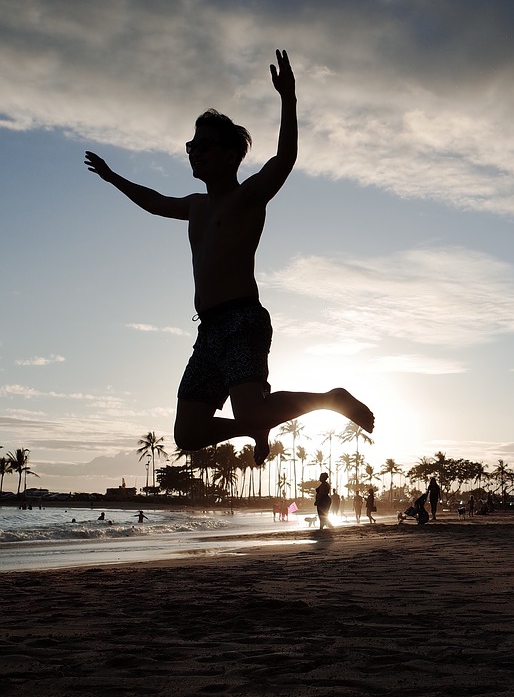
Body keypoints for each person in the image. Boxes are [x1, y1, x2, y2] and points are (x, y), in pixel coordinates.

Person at [85, 50, 374, 467]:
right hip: (208, 330)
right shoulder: (195, 205)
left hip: (243, 320)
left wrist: (288, 100)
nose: (194, 153)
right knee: (188, 434)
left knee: (253, 407)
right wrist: (113, 177)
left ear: (230, 154)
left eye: (203, 146)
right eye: (191, 146)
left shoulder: (247, 197)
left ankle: (331, 399)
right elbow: (153, 202)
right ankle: (253, 428)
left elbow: (285, 159)